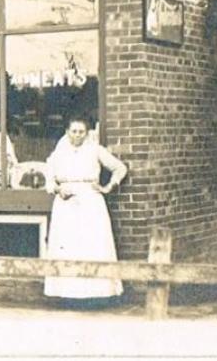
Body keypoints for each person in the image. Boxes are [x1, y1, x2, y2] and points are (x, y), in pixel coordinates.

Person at [43, 116, 127, 302]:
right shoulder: (58, 154)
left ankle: (97, 294)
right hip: (66, 204)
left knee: (92, 245)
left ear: (87, 133)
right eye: (74, 131)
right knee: (69, 246)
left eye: (81, 132)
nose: (77, 135)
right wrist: (58, 189)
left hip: (90, 202)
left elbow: (120, 168)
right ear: (67, 132)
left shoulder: (95, 150)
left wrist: (107, 187)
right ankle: (68, 295)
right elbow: (49, 181)